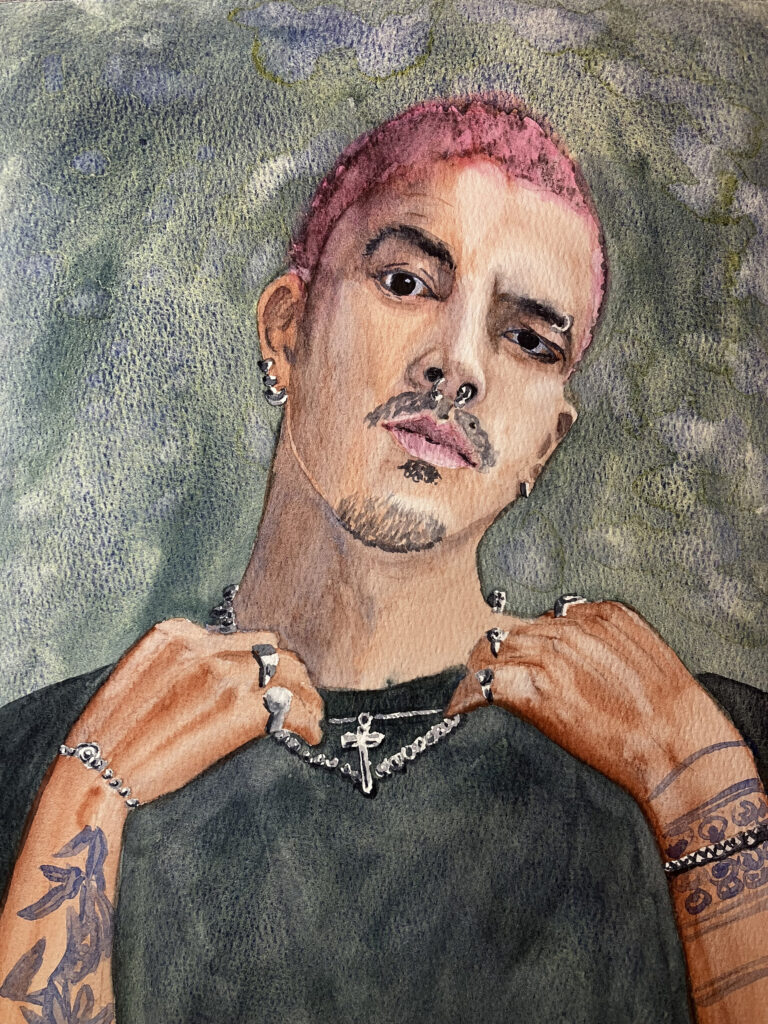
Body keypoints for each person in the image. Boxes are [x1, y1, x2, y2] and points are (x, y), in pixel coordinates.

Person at [1, 95, 767, 1024]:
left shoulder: (710, 745)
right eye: (406, 283)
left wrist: (702, 792)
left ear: (546, 445)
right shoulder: (38, 761)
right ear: (286, 330)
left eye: (528, 340)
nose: (457, 366)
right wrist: (88, 794)